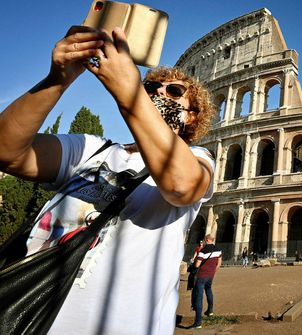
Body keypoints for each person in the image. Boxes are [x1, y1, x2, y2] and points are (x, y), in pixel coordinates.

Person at [0, 26, 216, 334]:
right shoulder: (91, 148)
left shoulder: (198, 157)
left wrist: (130, 93)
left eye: (174, 91)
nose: (157, 93)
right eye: (151, 86)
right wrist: (58, 79)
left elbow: (181, 184)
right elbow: (6, 151)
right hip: (29, 317)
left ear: (192, 116)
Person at [192, 234, 222, 329]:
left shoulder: (203, 251)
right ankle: (210, 310)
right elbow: (219, 263)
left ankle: (198, 322)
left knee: (199, 297)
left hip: (201, 275)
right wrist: (213, 271)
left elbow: (197, 265)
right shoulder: (218, 250)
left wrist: (194, 264)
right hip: (210, 275)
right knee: (209, 290)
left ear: (206, 240)